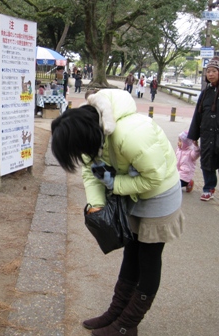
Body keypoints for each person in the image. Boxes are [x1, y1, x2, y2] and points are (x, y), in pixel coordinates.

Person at [51, 89, 184, 336]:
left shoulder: (132, 133)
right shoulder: (92, 132)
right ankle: (116, 312)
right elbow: (91, 170)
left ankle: (127, 324)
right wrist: (96, 204)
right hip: (132, 193)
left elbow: (153, 178)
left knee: (148, 259)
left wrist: (115, 185)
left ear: (87, 135)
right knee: (131, 254)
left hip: (159, 195)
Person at [187, 56, 219, 201]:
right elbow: (197, 116)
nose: (210, 74)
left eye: (214, 71)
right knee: (206, 162)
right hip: (206, 134)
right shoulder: (205, 93)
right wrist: (194, 136)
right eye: (208, 71)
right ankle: (208, 188)